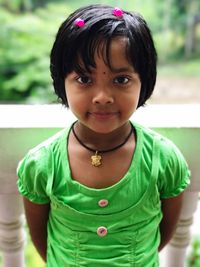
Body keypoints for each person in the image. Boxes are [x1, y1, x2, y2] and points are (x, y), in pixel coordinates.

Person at [17, 4, 190, 266]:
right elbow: (43, 240)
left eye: (121, 80)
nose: (102, 97)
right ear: (61, 81)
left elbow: (161, 236)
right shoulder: (41, 165)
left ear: (144, 81)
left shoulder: (164, 160)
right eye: (85, 79)